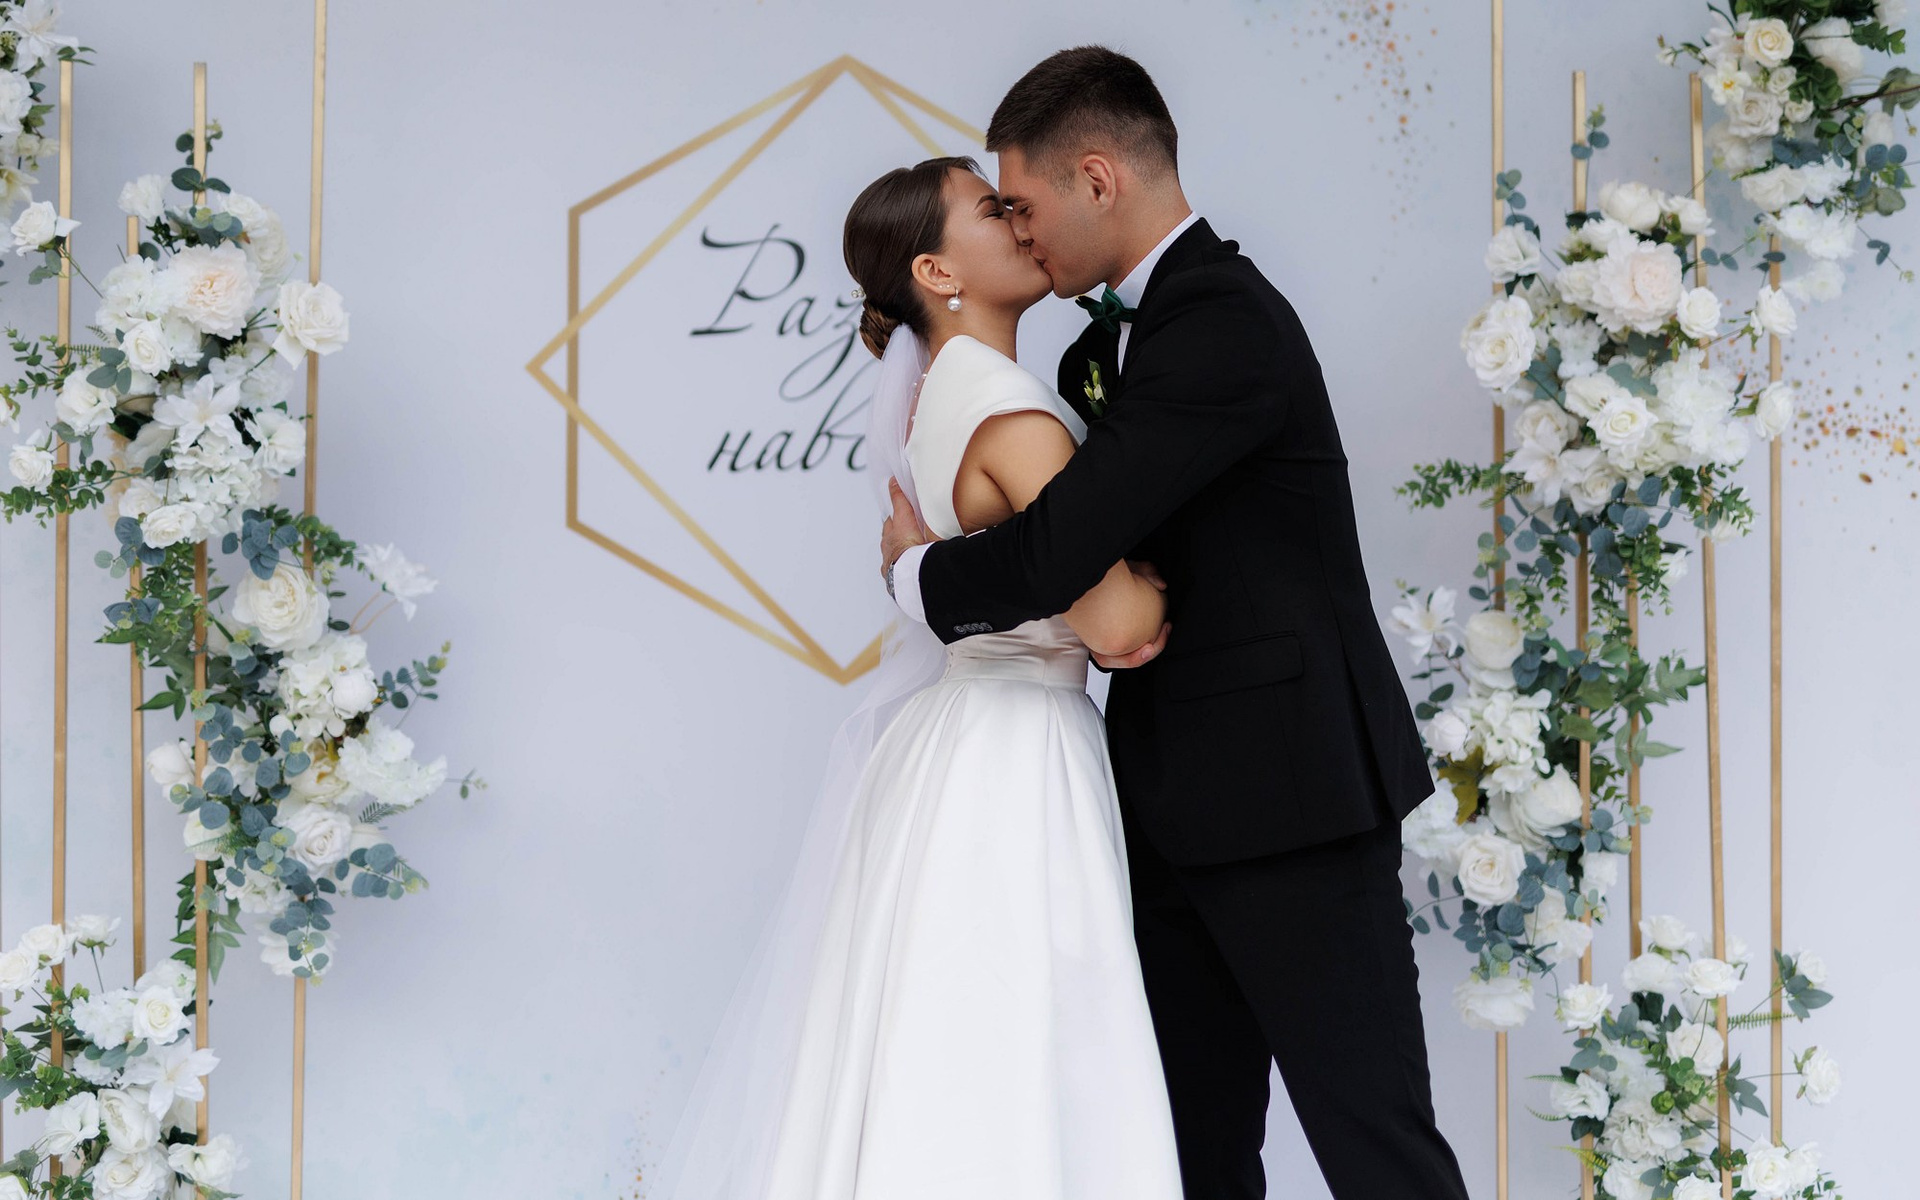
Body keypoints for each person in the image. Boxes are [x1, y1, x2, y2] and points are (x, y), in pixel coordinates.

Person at [879, 46, 1472, 1200]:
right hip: (1162, 807)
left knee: (1376, 1147)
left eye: (1023, 204)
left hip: (1294, 803)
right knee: (1190, 1162)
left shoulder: (1222, 319)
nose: (1020, 229)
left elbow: (1055, 553)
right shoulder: (1100, 348)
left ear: (1098, 179)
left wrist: (915, 577)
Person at [644, 153, 1184, 1200]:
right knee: (1010, 1052)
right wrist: (1155, 587)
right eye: (991, 208)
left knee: (952, 1047)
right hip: (1015, 756)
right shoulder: (1010, 413)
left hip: (965, 742)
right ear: (938, 273)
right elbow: (1116, 619)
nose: (1020, 218)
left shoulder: (943, 397)